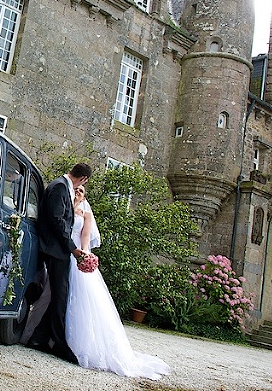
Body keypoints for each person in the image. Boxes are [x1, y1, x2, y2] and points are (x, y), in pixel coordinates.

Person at [65, 185, 171, 379]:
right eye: (76, 190)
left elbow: (85, 238)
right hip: (63, 253)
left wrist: (84, 256)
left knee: (80, 300)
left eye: (82, 191)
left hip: (77, 255)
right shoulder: (66, 208)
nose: (78, 193)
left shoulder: (86, 215)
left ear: (85, 196)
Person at [25, 162, 92, 363]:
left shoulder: (60, 186)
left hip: (57, 249)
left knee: (58, 296)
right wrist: (73, 248)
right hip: (55, 250)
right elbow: (57, 220)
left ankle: (39, 338)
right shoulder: (59, 187)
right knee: (61, 296)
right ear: (83, 179)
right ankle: (59, 344)